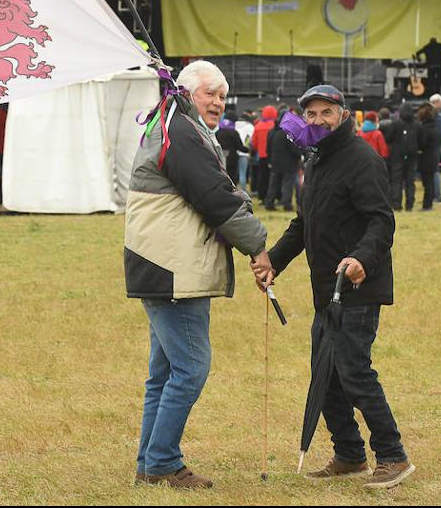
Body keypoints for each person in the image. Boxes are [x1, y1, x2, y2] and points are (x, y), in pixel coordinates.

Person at [251, 84, 413, 490]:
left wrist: (362, 258)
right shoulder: (317, 160)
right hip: (326, 290)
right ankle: (349, 454)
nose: (318, 120)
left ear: (343, 114)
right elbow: (304, 224)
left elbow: (381, 221)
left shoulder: (362, 159)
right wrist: (274, 259)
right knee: (325, 374)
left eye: (327, 112)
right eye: (312, 114)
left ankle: (393, 456)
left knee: (354, 370)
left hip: (358, 285)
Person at [124, 60, 267, 490]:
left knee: (165, 372)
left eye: (223, 96)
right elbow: (214, 197)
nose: (219, 103)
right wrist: (257, 245)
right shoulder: (181, 131)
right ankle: (163, 462)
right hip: (172, 269)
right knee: (191, 367)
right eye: (211, 94)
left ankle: (150, 463)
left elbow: (214, 189)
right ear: (187, 92)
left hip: (159, 264)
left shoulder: (172, 124)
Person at [384, 105, 421, 212]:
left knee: (397, 180)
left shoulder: (395, 124)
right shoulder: (417, 125)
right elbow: (422, 140)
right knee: (410, 181)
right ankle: (409, 205)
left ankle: (396, 205)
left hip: (397, 155)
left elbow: (388, 138)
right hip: (412, 155)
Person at [265, 108, 302, 212]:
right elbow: (294, 149)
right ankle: (287, 205)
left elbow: (268, 147)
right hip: (288, 164)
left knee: (273, 185)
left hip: (275, 162)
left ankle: (269, 203)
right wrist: (299, 157)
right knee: (287, 185)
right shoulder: (289, 132)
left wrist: (269, 160)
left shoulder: (272, 131)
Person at [416, 103, 441, 211]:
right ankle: (429, 202)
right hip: (434, 155)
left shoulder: (425, 128)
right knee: (430, 180)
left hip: (426, 157)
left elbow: (423, 143)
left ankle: (427, 204)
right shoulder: (436, 127)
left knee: (427, 182)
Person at [251, 106, 278, 203]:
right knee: (274, 178)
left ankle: (262, 196)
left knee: (262, 176)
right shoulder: (275, 126)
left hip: (261, 155)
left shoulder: (258, 126)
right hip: (273, 155)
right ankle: (273, 197)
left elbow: (253, 142)